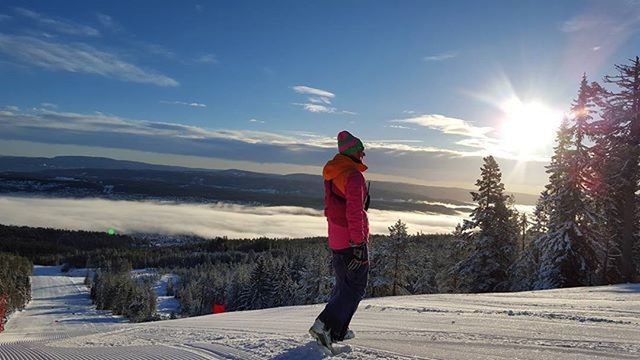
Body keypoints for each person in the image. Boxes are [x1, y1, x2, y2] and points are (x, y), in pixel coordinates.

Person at [309, 130, 370, 350]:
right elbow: (354, 213)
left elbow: (339, 206)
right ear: (353, 153)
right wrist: (359, 244)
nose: (363, 156)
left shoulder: (334, 172)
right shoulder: (353, 176)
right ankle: (325, 325)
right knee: (354, 288)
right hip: (350, 240)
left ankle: (337, 330)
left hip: (336, 237)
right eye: (361, 151)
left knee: (344, 285)